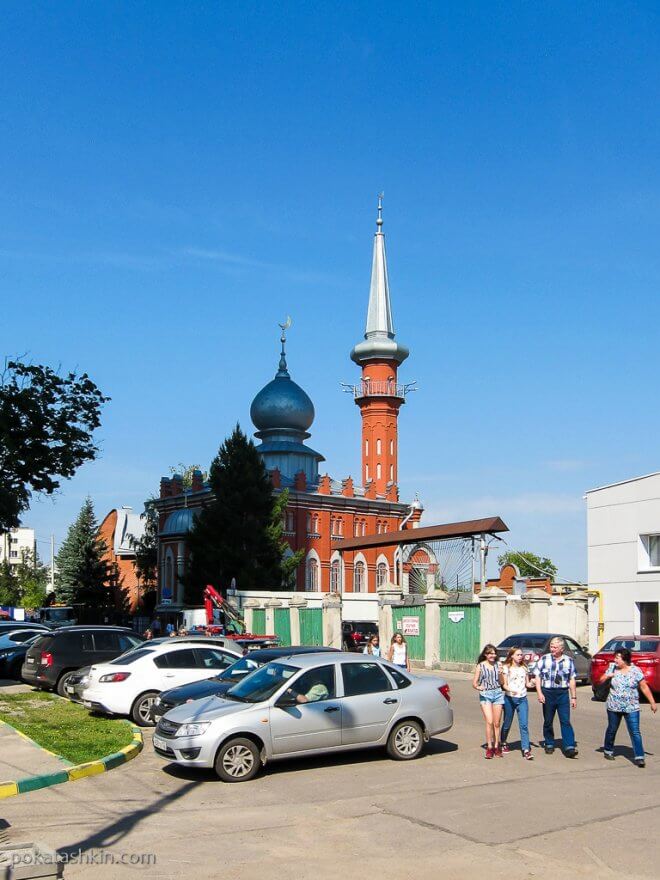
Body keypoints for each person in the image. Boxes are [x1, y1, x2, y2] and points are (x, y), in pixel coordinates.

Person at [599, 647, 657, 767]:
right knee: (612, 729)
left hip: (631, 706)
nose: (615, 660)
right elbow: (601, 680)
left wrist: (652, 702)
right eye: (615, 657)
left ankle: (639, 756)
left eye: (618, 658)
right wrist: (608, 676)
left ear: (625, 659)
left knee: (635, 731)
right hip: (614, 705)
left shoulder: (635, 670)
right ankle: (608, 750)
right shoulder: (612, 668)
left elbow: (644, 687)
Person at [534, 636, 578, 758]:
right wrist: (539, 693)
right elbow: (537, 676)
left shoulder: (569, 661)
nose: (552, 649)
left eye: (555, 647)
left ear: (561, 648)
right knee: (548, 720)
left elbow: (572, 679)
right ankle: (549, 743)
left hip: (562, 693)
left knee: (565, 720)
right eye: (551, 646)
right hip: (548, 692)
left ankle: (569, 746)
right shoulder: (544, 659)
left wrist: (573, 697)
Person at [500, 646, 534, 760]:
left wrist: (533, 683)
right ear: (512, 656)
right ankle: (503, 741)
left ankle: (526, 749)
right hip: (509, 699)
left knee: (524, 724)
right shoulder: (506, 667)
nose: (520, 657)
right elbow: (504, 685)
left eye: (521, 655)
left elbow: (527, 684)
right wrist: (510, 690)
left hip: (522, 698)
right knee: (507, 724)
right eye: (518, 655)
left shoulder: (524, 667)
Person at [473, 644, 505, 758]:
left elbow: (502, 683)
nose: (493, 655)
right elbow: (474, 683)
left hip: (497, 693)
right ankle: (490, 747)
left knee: (497, 723)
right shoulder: (481, 666)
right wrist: (478, 687)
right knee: (489, 721)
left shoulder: (499, 665)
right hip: (486, 694)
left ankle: (497, 746)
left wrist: (501, 672)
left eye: (494, 653)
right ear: (485, 654)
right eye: (490, 653)